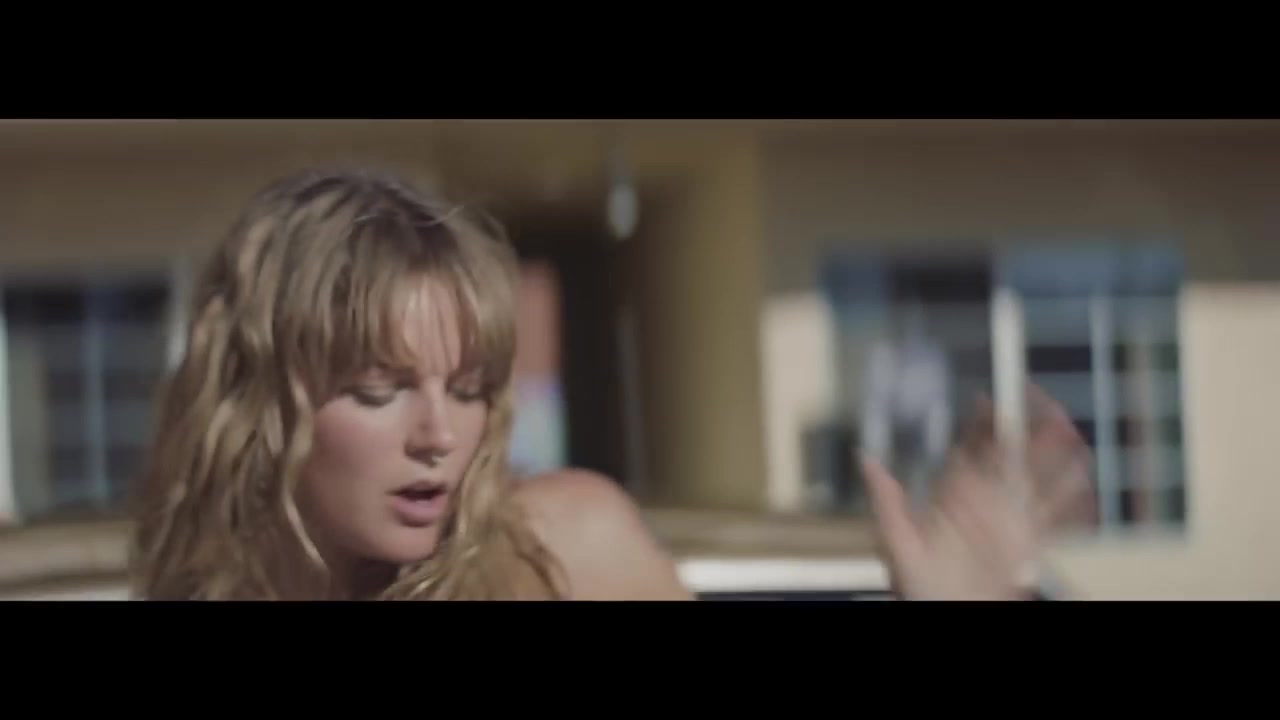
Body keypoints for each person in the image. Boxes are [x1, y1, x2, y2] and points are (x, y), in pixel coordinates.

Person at [129, 168, 1094, 601]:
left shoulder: (559, 552)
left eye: (468, 387)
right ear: (263, 401)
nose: (439, 435)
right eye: (381, 389)